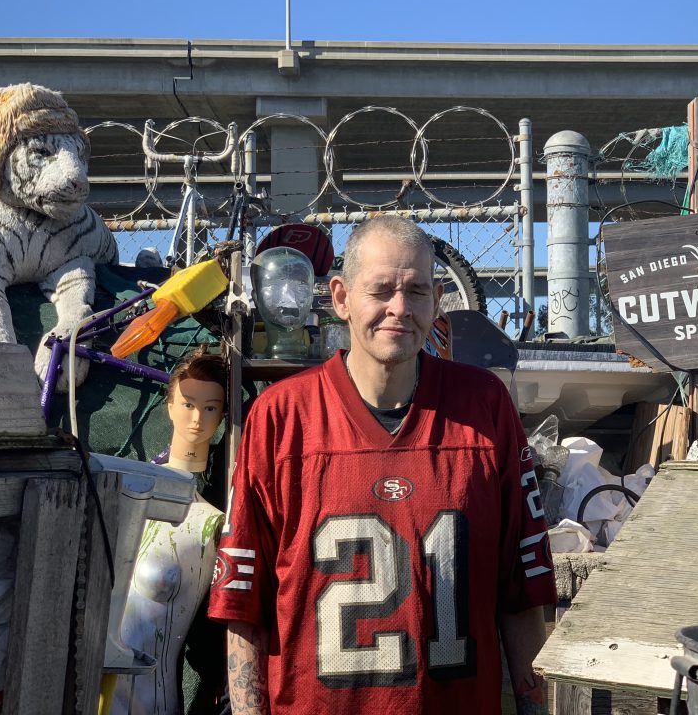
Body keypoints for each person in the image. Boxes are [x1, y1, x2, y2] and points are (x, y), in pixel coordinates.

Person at [209, 216, 556, 715]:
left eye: (416, 291)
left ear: (438, 299)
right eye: (381, 290)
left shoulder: (485, 409)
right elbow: (244, 603)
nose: (400, 308)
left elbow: (522, 591)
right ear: (341, 297)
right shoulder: (280, 419)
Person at [114, 352, 227, 715]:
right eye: (188, 404)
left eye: (211, 408)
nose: (197, 418)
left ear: (224, 414)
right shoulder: (127, 490)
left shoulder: (213, 515)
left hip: (156, 696)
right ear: (170, 405)